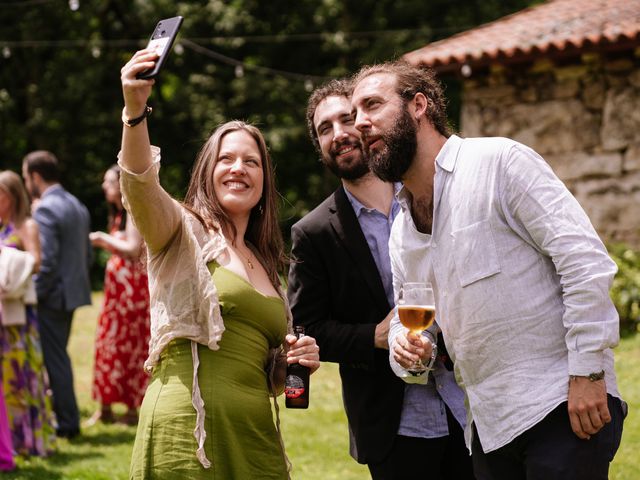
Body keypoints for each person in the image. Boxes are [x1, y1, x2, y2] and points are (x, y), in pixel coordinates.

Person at [350, 60, 626, 480]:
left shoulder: (500, 162)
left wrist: (588, 371)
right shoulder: (402, 230)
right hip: (486, 430)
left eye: (372, 105)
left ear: (419, 105)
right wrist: (408, 350)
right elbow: (418, 327)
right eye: (355, 115)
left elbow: (583, 261)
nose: (360, 124)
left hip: (561, 404)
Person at [119, 48, 321, 479]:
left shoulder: (266, 263)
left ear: (264, 180)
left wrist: (291, 362)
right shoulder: (182, 231)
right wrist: (135, 113)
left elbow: (266, 373)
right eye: (226, 159)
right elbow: (140, 186)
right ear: (207, 171)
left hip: (253, 438)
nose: (238, 168)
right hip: (189, 434)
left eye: (251, 162)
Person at [287, 79, 473, 479]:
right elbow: (306, 328)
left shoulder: (428, 195)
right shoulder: (313, 232)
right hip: (395, 425)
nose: (338, 134)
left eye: (347, 119)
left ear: (368, 124)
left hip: (470, 405)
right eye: (324, 129)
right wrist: (372, 334)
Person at [22, 151, 93, 440]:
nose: (27, 184)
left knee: (55, 361)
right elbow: (86, 255)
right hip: (73, 294)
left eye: (27, 178)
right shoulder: (77, 205)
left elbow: (47, 263)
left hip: (52, 298)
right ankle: (61, 417)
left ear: (36, 177)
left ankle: (67, 424)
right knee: (58, 358)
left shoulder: (45, 209)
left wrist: (31, 296)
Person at [87, 165, 150, 426]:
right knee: (109, 347)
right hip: (117, 297)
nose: (105, 186)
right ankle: (106, 408)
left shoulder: (135, 210)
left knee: (129, 348)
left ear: (122, 184)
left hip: (131, 297)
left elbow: (133, 249)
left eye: (109, 181)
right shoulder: (118, 214)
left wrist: (101, 239)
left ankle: (132, 409)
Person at [0, 170, 57, 457]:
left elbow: (36, 262)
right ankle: (8, 438)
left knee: (20, 374)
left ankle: (27, 439)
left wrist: (9, 261)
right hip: (2, 311)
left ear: (11, 196)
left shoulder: (27, 225)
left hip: (20, 312)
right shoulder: (1, 228)